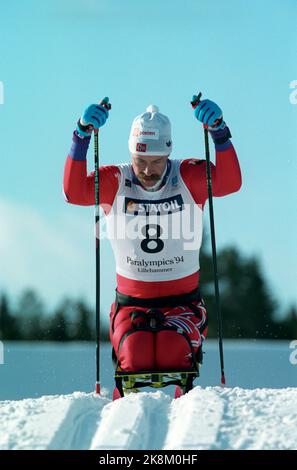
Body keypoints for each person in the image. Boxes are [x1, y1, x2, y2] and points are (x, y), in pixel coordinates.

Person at [63, 98, 242, 372]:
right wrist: (81, 135)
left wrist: (219, 132)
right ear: (130, 154)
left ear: (168, 153)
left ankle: (190, 408)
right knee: (137, 357)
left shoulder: (188, 176)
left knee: (172, 353)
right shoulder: (115, 181)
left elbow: (230, 183)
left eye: (156, 162)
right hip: (131, 305)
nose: (147, 170)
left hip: (183, 303)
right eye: (140, 161)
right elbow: (73, 193)